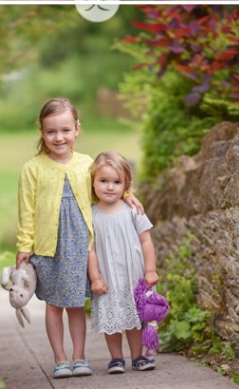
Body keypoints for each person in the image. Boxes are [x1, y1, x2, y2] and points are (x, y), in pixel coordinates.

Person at [15, 98, 144, 380]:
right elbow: (26, 210)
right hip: (48, 248)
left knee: (75, 304)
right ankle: (60, 359)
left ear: (77, 129)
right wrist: (24, 247)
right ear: (41, 131)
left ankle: (79, 356)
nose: (58, 137)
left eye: (65, 130)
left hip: (80, 247)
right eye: (51, 132)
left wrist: (126, 195)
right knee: (53, 304)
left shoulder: (87, 164)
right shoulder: (33, 168)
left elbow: (106, 185)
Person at [88, 151, 157, 374]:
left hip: (132, 275)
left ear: (126, 184)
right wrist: (95, 278)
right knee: (112, 316)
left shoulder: (133, 210)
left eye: (117, 182)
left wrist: (150, 270)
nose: (110, 187)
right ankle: (116, 358)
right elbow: (92, 249)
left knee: (135, 317)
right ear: (93, 182)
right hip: (108, 276)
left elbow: (146, 241)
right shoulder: (92, 215)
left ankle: (137, 356)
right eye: (104, 181)